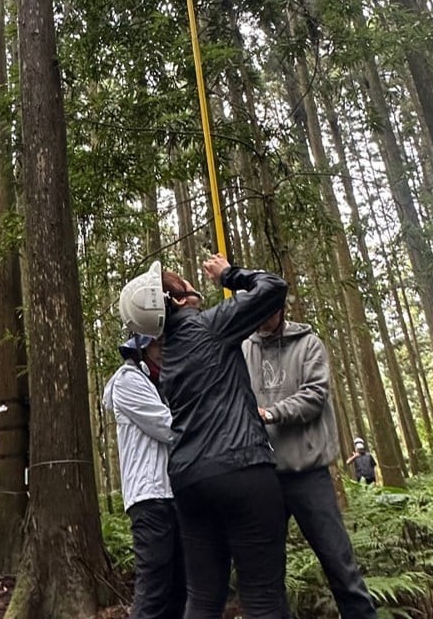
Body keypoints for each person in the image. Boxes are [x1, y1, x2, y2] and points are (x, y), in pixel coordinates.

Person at [119, 254, 291, 619]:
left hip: (189, 484)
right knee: (262, 597)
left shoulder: (168, 362)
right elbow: (274, 288)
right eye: (181, 280)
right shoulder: (210, 327)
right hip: (242, 470)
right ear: (178, 300)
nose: (190, 281)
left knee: (202, 600)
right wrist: (229, 274)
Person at [245, 306, 377, 619]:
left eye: (267, 307)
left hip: (309, 473)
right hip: (264, 476)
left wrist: (272, 413)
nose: (261, 316)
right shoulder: (244, 348)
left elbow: (315, 395)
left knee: (339, 562)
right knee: (266, 573)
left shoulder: (308, 344)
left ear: (279, 308)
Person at [102, 334, 186, 619]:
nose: (163, 351)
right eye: (157, 345)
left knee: (180, 589)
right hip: (150, 498)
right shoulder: (129, 381)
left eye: (166, 345)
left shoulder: (161, 382)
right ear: (141, 348)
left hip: (173, 494)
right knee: (154, 592)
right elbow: (168, 426)